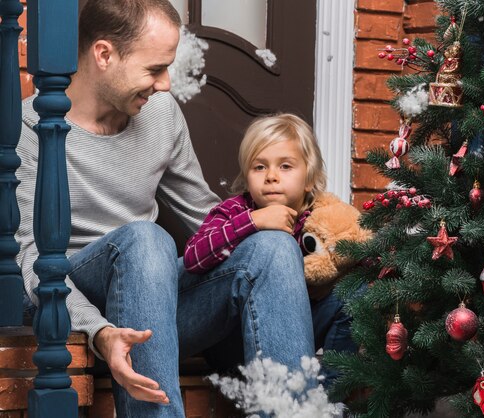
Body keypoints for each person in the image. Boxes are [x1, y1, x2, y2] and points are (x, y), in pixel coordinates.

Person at [16, 0, 315, 416]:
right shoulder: (29, 129)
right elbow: (30, 264)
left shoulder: (160, 115)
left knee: (272, 249)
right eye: (155, 69)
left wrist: (277, 227)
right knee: (145, 238)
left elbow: (206, 219)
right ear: (104, 55)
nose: (166, 83)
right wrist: (100, 331)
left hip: (155, 312)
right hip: (73, 311)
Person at [184, 114, 358, 385]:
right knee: (277, 246)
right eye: (259, 167)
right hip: (234, 341)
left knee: (356, 290)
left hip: (295, 334)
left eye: (286, 166)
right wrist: (252, 223)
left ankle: (330, 393)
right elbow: (193, 258)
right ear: (246, 176)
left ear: (309, 179)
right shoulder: (235, 210)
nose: (272, 177)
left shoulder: (319, 217)